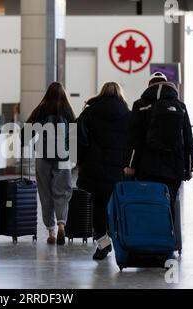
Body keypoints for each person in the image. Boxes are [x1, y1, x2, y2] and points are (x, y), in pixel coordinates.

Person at [124, 72, 193, 220]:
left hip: (147, 167)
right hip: (174, 167)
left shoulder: (140, 105)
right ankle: (169, 239)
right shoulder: (180, 106)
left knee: (149, 203)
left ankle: (150, 238)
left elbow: (134, 138)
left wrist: (130, 165)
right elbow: (188, 139)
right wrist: (188, 169)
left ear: (149, 86)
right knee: (169, 204)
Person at [76, 82, 131, 260]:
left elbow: (77, 135)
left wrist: (80, 160)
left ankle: (103, 245)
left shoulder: (90, 111)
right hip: (119, 170)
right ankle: (123, 243)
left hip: (95, 169)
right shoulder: (127, 113)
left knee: (98, 207)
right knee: (118, 207)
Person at [25, 82, 76, 246]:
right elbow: (75, 134)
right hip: (63, 156)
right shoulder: (67, 110)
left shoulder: (41, 109)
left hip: (43, 156)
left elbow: (26, 131)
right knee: (62, 191)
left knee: (45, 193)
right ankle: (62, 223)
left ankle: (51, 231)